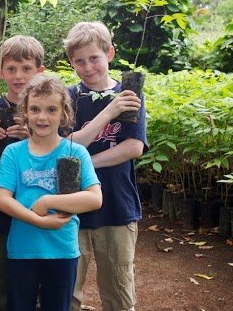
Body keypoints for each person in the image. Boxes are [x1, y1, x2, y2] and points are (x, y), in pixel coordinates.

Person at [0, 75, 103, 310]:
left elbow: (95, 198)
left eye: (51, 109)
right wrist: (38, 220)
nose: (42, 117)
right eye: (35, 109)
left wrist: (47, 201)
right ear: (25, 112)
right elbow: (2, 199)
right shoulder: (13, 152)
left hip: (62, 250)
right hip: (23, 250)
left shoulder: (76, 152)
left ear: (64, 113)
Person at [64, 22, 148, 311]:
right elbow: (66, 148)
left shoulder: (129, 94)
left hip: (117, 206)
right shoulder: (68, 97)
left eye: (94, 58)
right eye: (79, 61)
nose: (88, 67)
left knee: (119, 291)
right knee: (67, 291)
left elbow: (133, 147)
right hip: (72, 209)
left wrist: (83, 166)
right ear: (70, 62)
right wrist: (109, 112)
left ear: (109, 53)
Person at [0, 35, 44, 311]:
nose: (18, 76)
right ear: (1, 71)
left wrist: (33, 136)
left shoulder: (44, 113)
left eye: (26, 68)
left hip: (33, 209)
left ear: (39, 71)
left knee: (29, 287)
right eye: (11, 69)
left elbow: (56, 155)